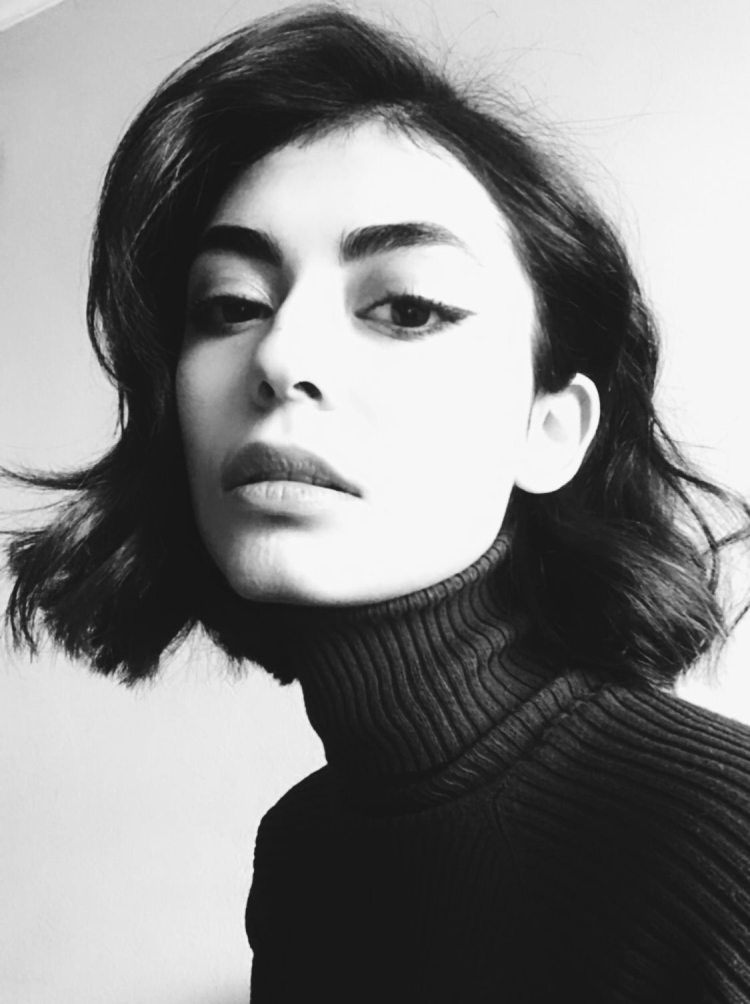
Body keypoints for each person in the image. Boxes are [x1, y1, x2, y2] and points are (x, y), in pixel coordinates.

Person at [4, 4, 750, 1001]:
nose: (279, 356)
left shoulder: (723, 843)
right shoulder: (303, 855)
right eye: (230, 305)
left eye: (405, 307)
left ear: (551, 428)